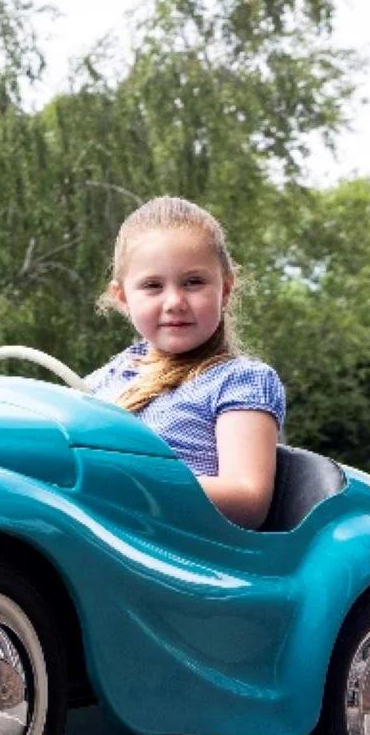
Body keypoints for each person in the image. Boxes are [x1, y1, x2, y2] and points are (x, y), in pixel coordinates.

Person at [84, 197, 285, 530]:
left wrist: (127, 483)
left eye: (194, 283)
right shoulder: (106, 380)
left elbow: (249, 500)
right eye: (152, 286)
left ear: (225, 289)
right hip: (104, 543)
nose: (175, 302)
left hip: (184, 559)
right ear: (122, 298)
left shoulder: (239, 381)